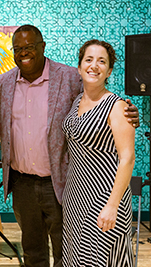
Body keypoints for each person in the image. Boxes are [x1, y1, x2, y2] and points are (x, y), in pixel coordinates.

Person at [0, 24, 139, 267]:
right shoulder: (3, 83)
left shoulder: (70, 76)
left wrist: (129, 111)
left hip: (59, 183)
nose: (24, 53)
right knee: (33, 252)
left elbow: (100, 97)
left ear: (43, 47)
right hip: (23, 184)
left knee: (68, 252)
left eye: (30, 47)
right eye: (18, 48)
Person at [62, 39, 135, 266]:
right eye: (89, 59)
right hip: (76, 198)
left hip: (105, 198)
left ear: (109, 71)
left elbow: (127, 158)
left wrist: (112, 206)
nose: (94, 65)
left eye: (101, 61)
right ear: (79, 66)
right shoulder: (76, 101)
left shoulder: (118, 106)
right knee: (78, 259)